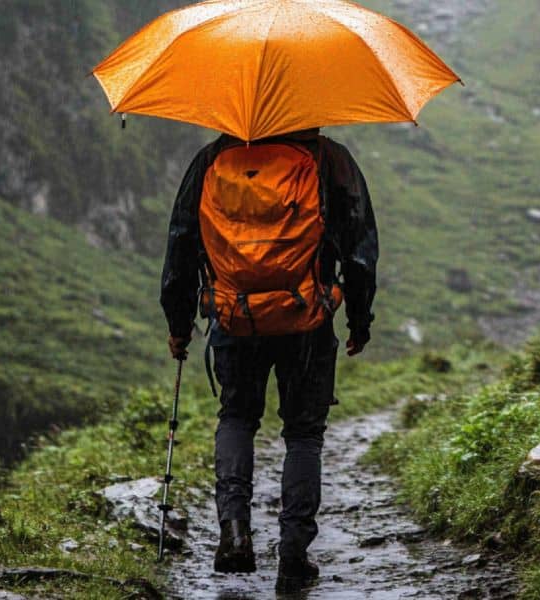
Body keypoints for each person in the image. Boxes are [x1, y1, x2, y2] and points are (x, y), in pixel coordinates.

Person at [160, 127, 378, 593]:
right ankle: (294, 556)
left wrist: (179, 324)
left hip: (234, 318)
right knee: (303, 435)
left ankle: (234, 533)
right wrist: (360, 319)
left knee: (237, 418)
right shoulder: (330, 160)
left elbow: (180, 241)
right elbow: (360, 249)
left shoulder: (213, 159)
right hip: (308, 319)